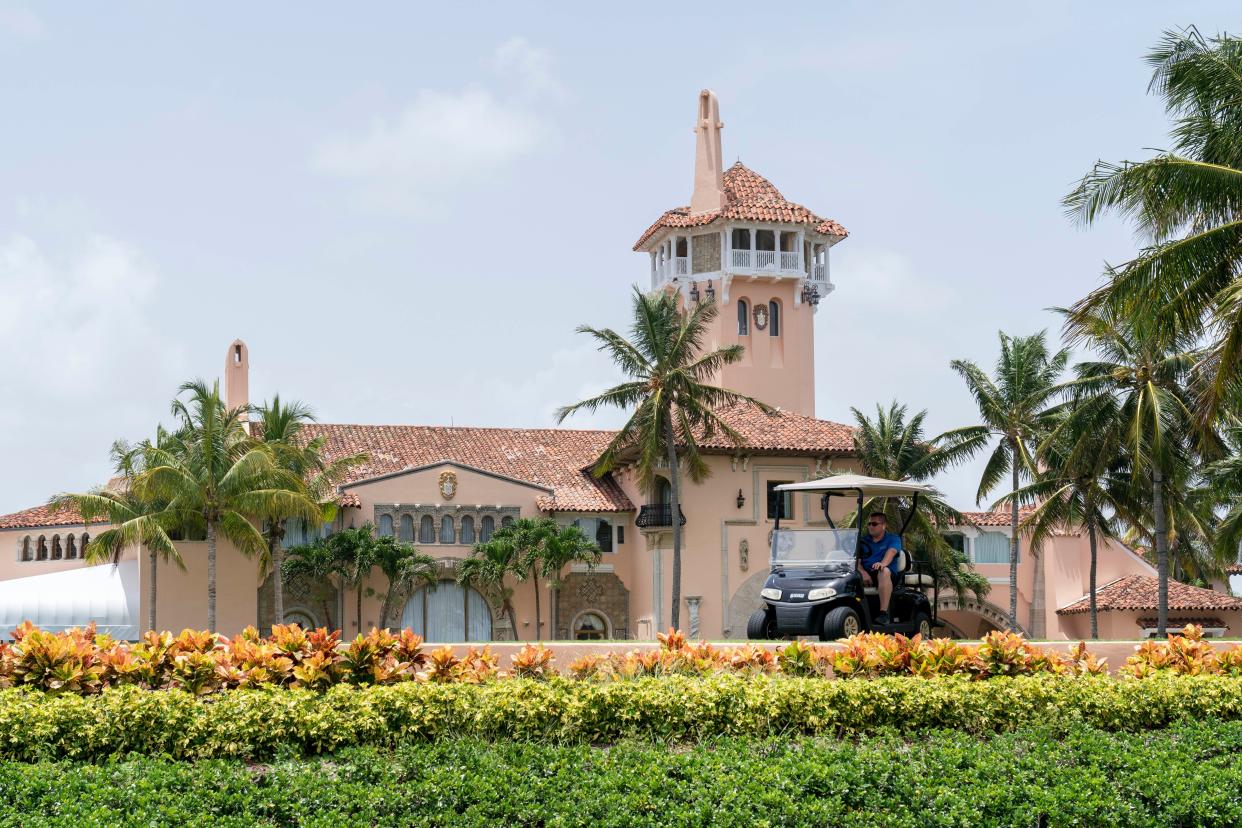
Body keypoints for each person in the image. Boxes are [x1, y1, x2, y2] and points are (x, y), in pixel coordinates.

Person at [858, 512, 901, 625]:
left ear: (883, 525)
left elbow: (891, 552)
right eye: (869, 524)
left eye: (874, 524)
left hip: (888, 574)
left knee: (883, 571)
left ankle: (883, 614)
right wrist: (862, 572)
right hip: (867, 573)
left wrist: (883, 564)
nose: (871, 526)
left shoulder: (893, 539)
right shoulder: (863, 540)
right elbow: (856, 560)